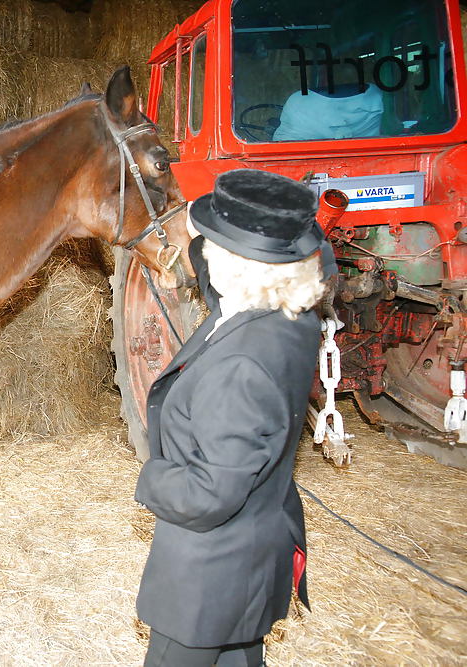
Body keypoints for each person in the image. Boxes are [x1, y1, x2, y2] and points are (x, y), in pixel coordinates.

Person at [135, 169, 332, 666]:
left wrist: (152, 479)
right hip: (252, 556)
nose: (203, 251)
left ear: (241, 266)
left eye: (213, 245)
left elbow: (212, 492)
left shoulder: (240, 367)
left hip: (211, 576)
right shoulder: (290, 316)